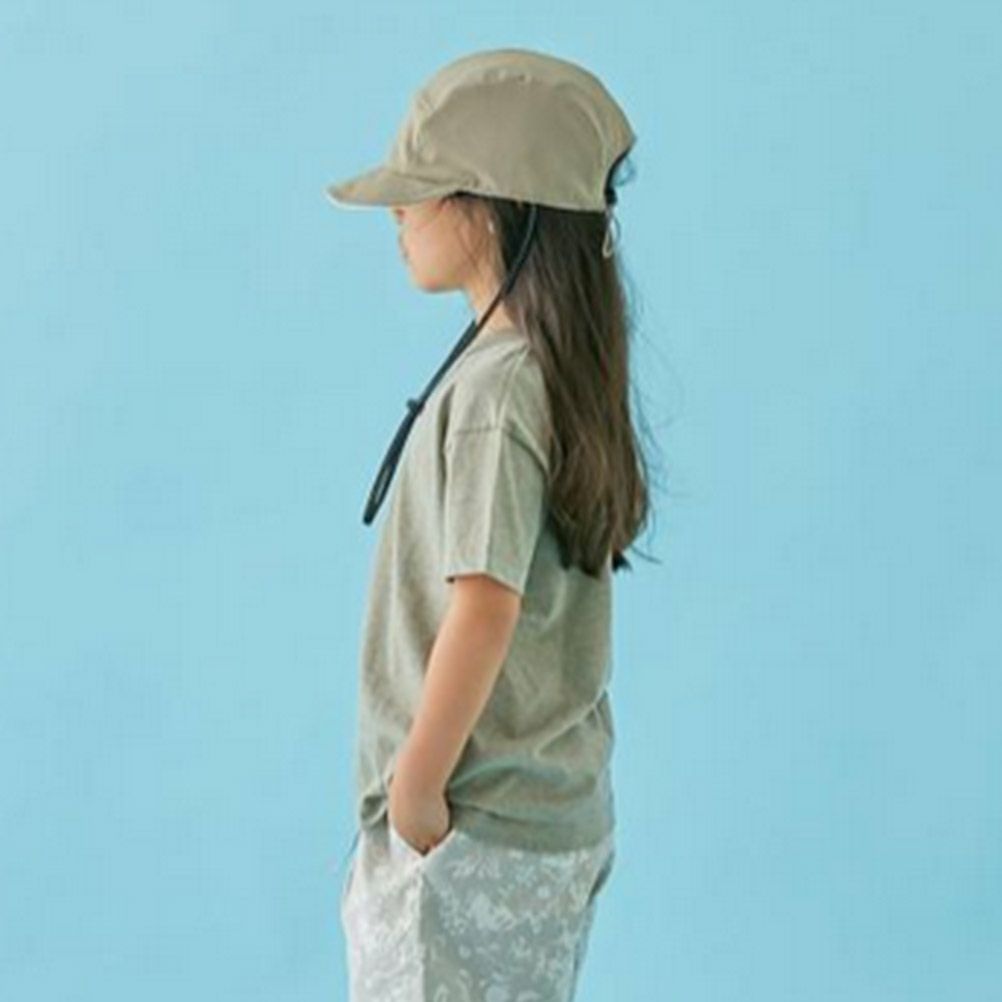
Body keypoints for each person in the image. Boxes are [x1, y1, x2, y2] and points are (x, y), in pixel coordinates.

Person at [324, 47, 653, 1002]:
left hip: (468, 831)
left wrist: (416, 793)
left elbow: (483, 604)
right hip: (542, 823)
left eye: (420, 189)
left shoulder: (494, 392)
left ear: (494, 205)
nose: (397, 212)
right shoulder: (550, 373)